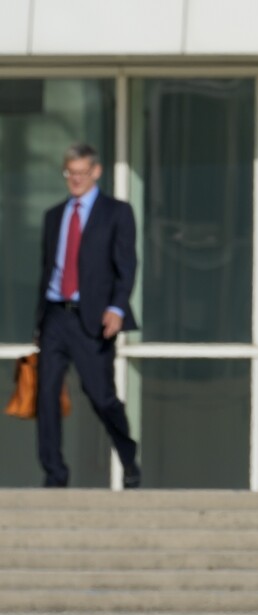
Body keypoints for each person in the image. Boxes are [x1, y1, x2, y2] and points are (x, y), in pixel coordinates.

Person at [34, 143, 141, 489]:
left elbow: (127, 265)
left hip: (93, 319)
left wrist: (117, 308)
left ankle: (127, 456)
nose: (75, 179)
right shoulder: (53, 216)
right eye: (70, 173)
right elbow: (47, 269)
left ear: (96, 172)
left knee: (101, 396)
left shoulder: (117, 212)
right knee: (46, 394)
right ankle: (55, 473)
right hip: (55, 316)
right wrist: (39, 323)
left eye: (81, 173)